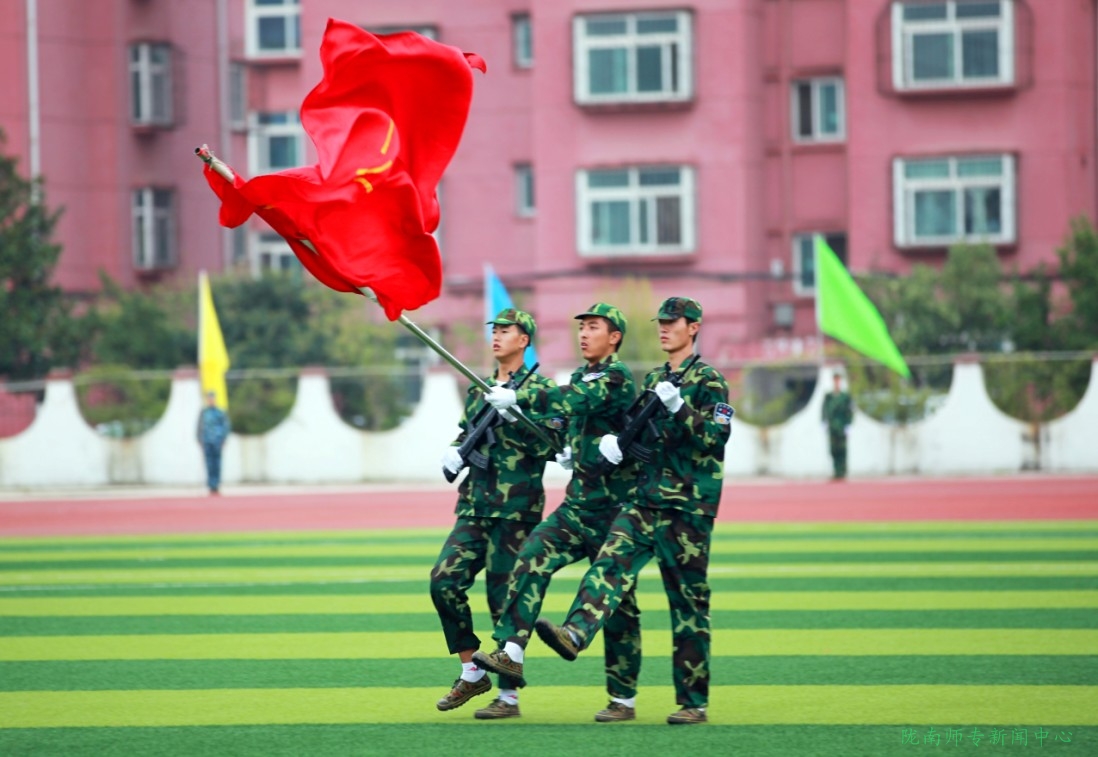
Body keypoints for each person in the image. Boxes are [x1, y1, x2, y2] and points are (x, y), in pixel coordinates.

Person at [533, 296, 733, 725]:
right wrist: (611, 446)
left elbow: (716, 439)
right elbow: (637, 433)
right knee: (609, 563)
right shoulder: (656, 378)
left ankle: (693, 703)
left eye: (673, 322)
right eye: (661, 322)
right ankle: (575, 632)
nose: (664, 328)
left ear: (693, 327)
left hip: (687, 507)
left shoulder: (709, 380)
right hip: (645, 498)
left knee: (688, 604)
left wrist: (680, 408)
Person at [471, 302, 644, 722]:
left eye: (593, 327)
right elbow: (567, 417)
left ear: (614, 337)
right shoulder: (583, 375)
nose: (583, 333)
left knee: (619, 607)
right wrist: (563, 443)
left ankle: (622, 700)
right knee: (531, 555)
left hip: (615, 510)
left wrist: (520, 395)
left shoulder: (617, 377)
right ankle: (511, 652)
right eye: (581, 327)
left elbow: (574, 400)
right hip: (577, 504)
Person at [431, 308, 563, 716]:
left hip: (516, 510)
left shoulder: (542, 390)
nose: (497, 336)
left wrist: (517, 413)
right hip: (475, 505)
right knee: (443, 582)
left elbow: (553, 445)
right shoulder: (480, 388)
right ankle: (472, 671)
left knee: (502, 599)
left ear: (524, 340)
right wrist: (455, 452)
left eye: (506, 330)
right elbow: (467, 433)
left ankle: (508, 698)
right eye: (495, 330)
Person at [196, 390, 230, 495]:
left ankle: (216, 484)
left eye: (212, 398)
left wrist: (224, 439)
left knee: (217, 464)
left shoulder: (220, 412)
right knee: (209, 464)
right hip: (207, 441)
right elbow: (199, 427)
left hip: (217, 441)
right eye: (209, 398)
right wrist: (199, 439)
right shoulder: (204, 413)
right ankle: (211, 484)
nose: (211, 400)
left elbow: (225, 426)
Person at [821, 372, 853, 480]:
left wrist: (849, 425)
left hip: (842, 427)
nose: (836, 382)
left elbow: (849, 411)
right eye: (835, 380)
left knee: (842, 449)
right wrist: (824, 422)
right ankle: (836, 471)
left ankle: (842, 471)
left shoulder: (845, 397)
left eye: (838, 380)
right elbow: (824, 410)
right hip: (832, 427)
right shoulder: (828, 397)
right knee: (833, 450)